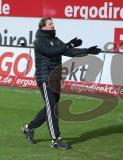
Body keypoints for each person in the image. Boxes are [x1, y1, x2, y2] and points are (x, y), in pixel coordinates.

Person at [21, 17, 101, 149]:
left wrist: (87, 51)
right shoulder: (39, 41)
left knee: (51, 107)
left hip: (55, 77)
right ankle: (55, 140)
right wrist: (68, 45)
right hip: (45, 77)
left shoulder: (55, 40)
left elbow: (68, 51)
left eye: (53, 23)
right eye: (50, 24)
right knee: (53, 109)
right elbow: (51, 52)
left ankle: (28, 128)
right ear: (43, 27)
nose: (53, 25)